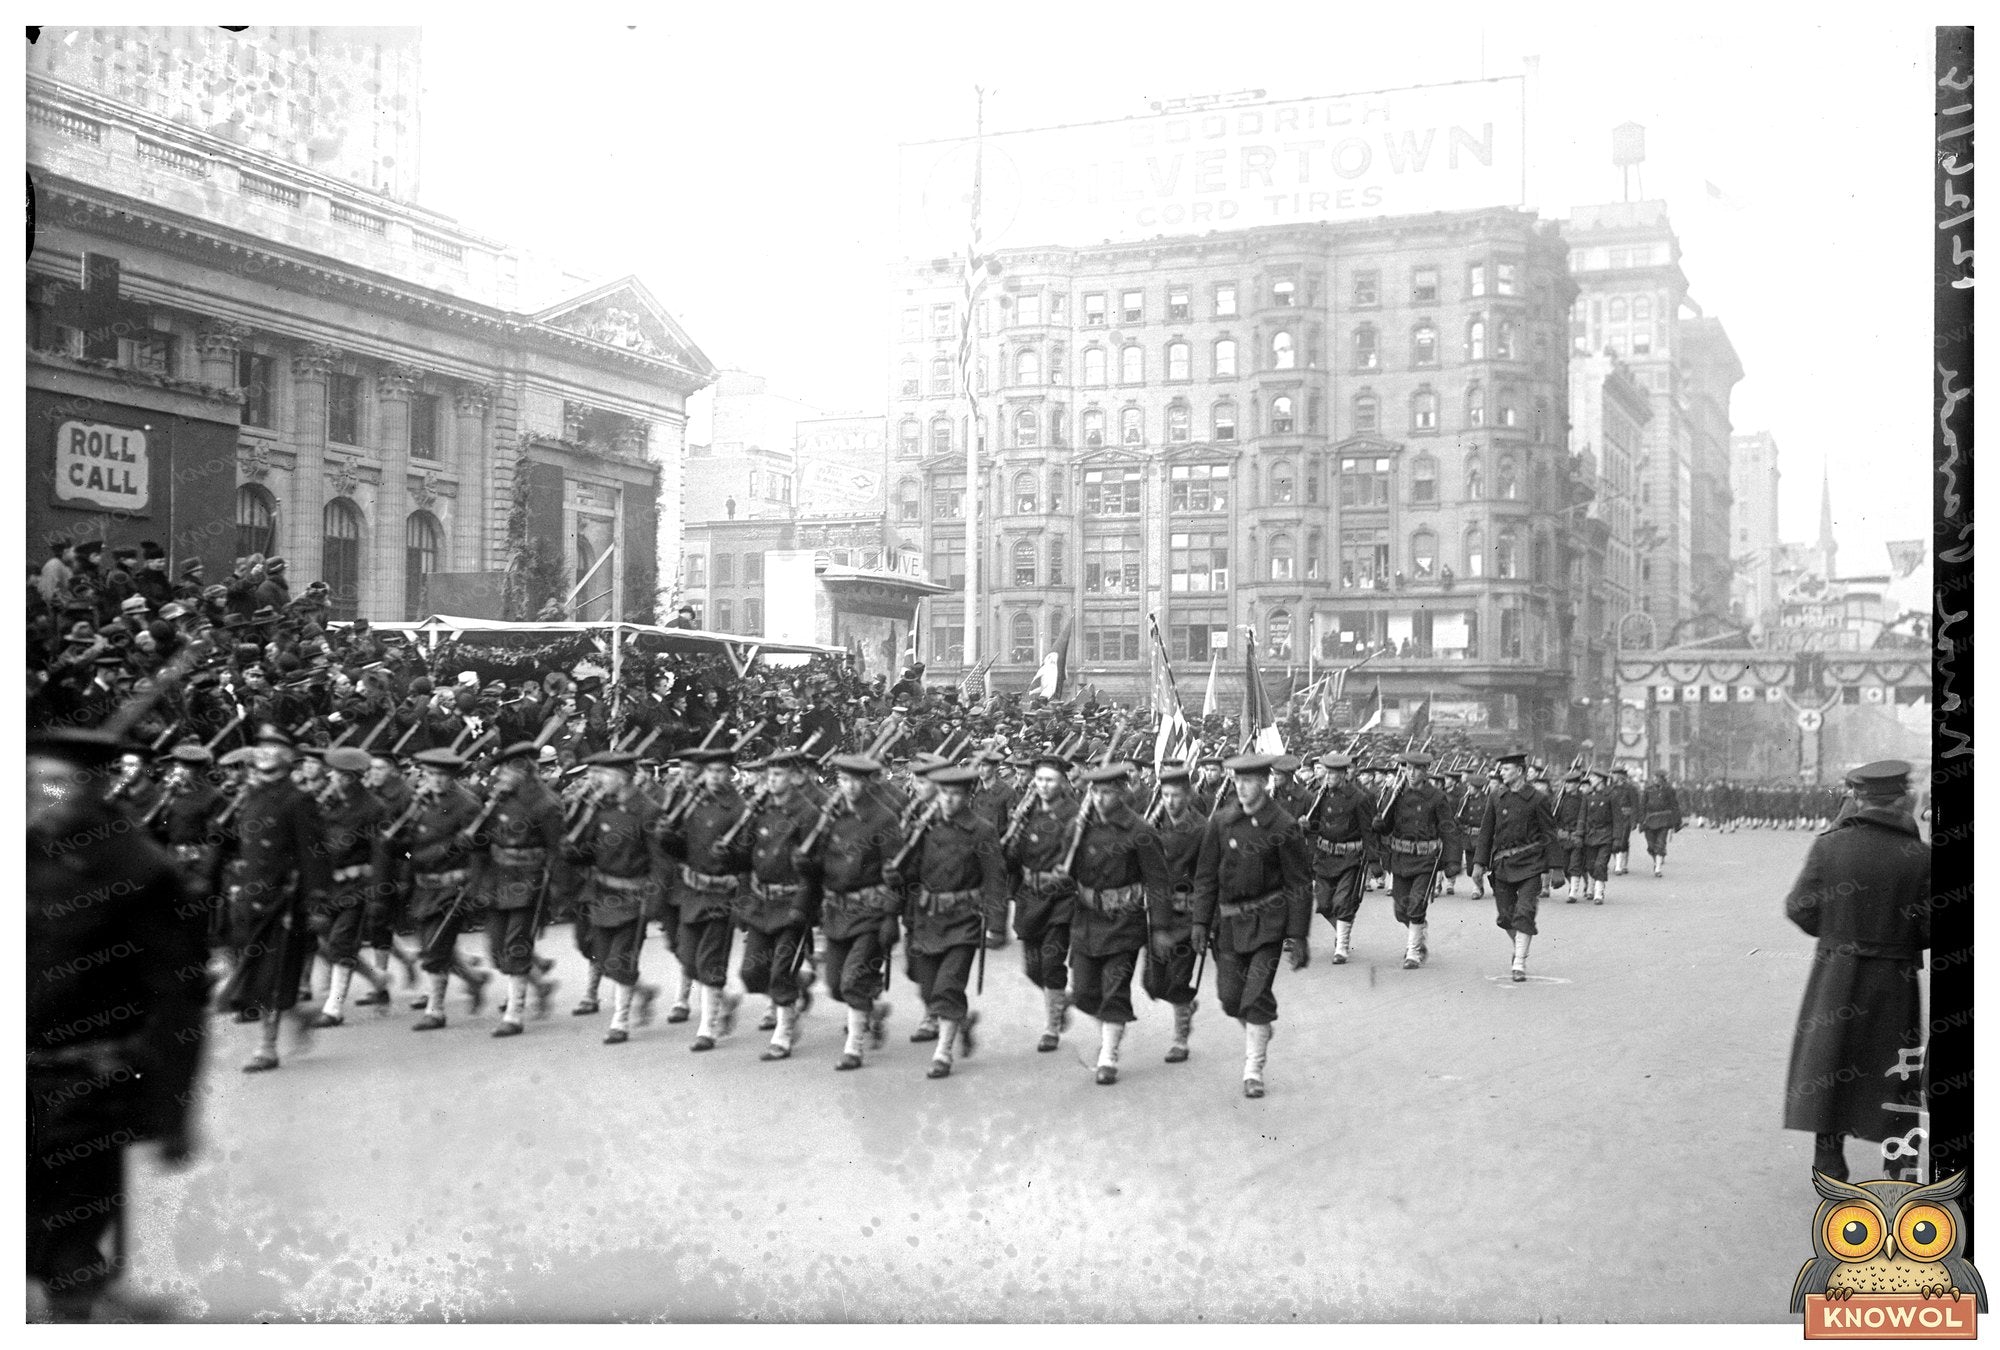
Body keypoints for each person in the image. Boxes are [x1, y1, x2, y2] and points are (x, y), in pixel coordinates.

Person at [28, 729, 208, 1321]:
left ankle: (74, 1302)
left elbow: (177, 999)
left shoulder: (140, 872)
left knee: (66, 1245)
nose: (38, 793)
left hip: (83, 1090)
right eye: (31, 778)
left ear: (97, 788)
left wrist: (171, 1112)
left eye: (55, 781)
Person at [1783, 760, 1930, 1183]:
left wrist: (1836, 932)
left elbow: (1799, 907)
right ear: (1902, 798)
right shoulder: (1920, 856)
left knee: (1831, 1060)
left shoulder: (1830, 846)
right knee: (1896, 1068)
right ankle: (1899, 1167)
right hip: (1895, 977)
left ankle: (1829, 1161)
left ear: (1859, 798)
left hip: (1837, 973)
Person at [1190, 753, 1313, 1098]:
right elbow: (1205, 876)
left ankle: (1253, 1070)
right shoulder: (1221, 821)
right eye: (1237, 780)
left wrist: (1298, 936)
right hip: (1228, 923)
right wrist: (1200, 921)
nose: (1241, 787)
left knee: (1256, 996)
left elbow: (1299, 884)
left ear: (1264, 782)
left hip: (1269, 923)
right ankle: (1258, 1029)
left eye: (1248, 781)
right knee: (1231, 999)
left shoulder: (1283, 825)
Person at [216, 741, 330, 1070]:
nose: (259, 775)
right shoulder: (249, 799)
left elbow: (314, 855)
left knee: (273, 973)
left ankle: (267, 1046)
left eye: (267, 770)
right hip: (250, 898)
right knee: (255, 973)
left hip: (285, 900)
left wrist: (318, 901)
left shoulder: (298, 800)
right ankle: (300, 1015)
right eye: (256, 769)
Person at [884, 763, 1002, 1079]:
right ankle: (959, 1021)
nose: (948, 800)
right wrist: (895, 877)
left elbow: (994, 878)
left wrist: (997, 924)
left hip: (964, 920)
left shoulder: (982, 831)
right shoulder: (926, 828)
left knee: (948, 986)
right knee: (927, 990)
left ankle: (943, 1053)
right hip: (926, 919)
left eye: (955, 795)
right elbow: (911, 872)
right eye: (944, 794)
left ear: (968, 797)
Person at [1064, 763, 1170, 1085]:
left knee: (1114, 988)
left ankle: (1108, 1054)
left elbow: (1158, 883)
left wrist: (1161, 928)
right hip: (1086, 919)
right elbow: (1065, 872)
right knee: (1083, 992)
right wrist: (1071, 837)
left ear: (1122, 792)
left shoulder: (1140, 832)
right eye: (1094, 792)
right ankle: (1111, 1029)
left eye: (1107, 792)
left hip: (1124, 923)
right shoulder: (1080, 828)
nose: (1098, 798)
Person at [796, 754, 900, 1070]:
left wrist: (892, 918)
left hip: (870, 910)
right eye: (842, 780)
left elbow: (897, 873)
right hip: (836, 911)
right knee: (836, 985)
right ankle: (872, 1009)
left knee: (854, 979)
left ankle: (854, 1049)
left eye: (855, 781)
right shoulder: (832, 817)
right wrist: (806, 866)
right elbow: (823, 866)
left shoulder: (884, 819)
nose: (848, 787)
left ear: (868, 783)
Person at [564, 749, 664, 1045]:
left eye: (603, 775)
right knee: (599, 956)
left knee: (621, 960)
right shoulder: (599, 807)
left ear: (622, 777)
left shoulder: (647, 810)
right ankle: (643, 991)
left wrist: (654, 901)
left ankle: (620, 1021)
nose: (597, 781)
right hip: (601, 894)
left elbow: (660, 861)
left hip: (634, 897)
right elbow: (585, 849)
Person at [656, 748, 747, 1050]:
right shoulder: (692, 802)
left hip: (722, 893)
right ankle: (724, 1001)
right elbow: (682, 848)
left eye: (721, 772)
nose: (715, 778)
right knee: (687, 958)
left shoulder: (739, 808)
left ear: (729, 773)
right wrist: (667, 837)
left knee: (709, 961)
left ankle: (708, 1028)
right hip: (692, 891)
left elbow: (749, 856)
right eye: (710, 772)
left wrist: (733, 854)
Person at [472, 742, 565, 1037]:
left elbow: (557, 849)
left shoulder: (546, 804)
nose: (500, 774)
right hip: (498, 878)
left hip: (529, 880)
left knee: (516, 946)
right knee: (497, 950)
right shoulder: (499, 799)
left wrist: (555, 889)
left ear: (524, 770)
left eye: (507, 769)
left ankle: (514, 1014)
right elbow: (483, 841)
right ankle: (541, 984)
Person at [735, 749, 822, 1060]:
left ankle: (784, 1033)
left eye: (779, 774)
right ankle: (797, 983)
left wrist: (803, 905)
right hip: (761, 902)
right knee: (751, 973)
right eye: (769, 774)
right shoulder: (760, 810)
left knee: (779, 971)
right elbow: (744, 858)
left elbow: (815, 866)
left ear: (796, 777)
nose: (772, 780)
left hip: (791, 902)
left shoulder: (808, 813)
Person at [1003, 752, 1080, 1053]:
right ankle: (1060, 1000)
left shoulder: (1074, 814)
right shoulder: (1027, 812)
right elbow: (1012, 861)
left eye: (1050, 780)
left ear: (1062, 782)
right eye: (1039, 780)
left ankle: (1051, 1028)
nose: (1044, 785)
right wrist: (1012, 836)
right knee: (1033, 969)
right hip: (1029, 897)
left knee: (1051, 964)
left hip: (1060, 899)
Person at [1471, 748, 1562, 981]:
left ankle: (1519, 961)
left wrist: (1557, 868)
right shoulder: (1495, 797)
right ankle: (1519, 946)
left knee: (1524, 913)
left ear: (1520, 771)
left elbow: (1549, 834)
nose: (1501, 772)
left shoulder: (1538, 799)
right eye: (1501, 769)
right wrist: (1479, 864)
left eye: (1506, 768)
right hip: (1502, 864)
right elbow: (1486, 833)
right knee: (1505, 917)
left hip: (1531, 864)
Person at [1372, 750, 1464, 970]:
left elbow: (1449, 830)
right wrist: (1379, 824)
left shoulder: (1437, 797)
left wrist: (1452, 861)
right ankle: (1419, 929)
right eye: (1407, 769)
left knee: (1416, 904)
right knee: (1400, 911)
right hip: (1401, 859)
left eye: (1415, 769)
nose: (1410, 774)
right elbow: (1387, 824)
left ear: (1425, 772)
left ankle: (1413, 952)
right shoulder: (1396, 794)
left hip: (1426, 860)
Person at [1141, 765, 1205, 1063]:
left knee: (1178, 980)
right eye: (1165, 795)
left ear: (1188, 795)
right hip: (1157, 913)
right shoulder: (1152, 825)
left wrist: (1206, 921)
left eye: (1176, 795)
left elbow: (1208, 877)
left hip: (1187, 914)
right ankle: (1184, 1005)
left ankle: (1180, 1039)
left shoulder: (1202, 828)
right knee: (1153, 984)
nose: (1170, 801)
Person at [1304, 751, 1372, 964]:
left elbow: (1368, 831)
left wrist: (1374, 861)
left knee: (1342, 900)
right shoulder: (1320, 796)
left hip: (1350, 857)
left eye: (1332, 774)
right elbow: (1313, 825)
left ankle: (1342, 946)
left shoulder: (1359, 798)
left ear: (1343, 774)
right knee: (1324, 903)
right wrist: (1306, 828)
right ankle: (1343, 928)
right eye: (1327, 773)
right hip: (1324, 856)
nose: (1328, 777)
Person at [1639, 770, 1684, 876]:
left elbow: (1674, 806)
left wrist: (1677, 822)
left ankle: (1658, 868)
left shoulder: (1669, 790)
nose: (1655, 779)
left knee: (1660, 843)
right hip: (1649, 820)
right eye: (1654, 777)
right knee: (1651, 846)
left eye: (1657, 777)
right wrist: (1640, 820)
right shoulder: (1647, 790)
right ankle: (1656, 861)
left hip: (1664, 820)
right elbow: (1642, 806)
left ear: (1662, 779)